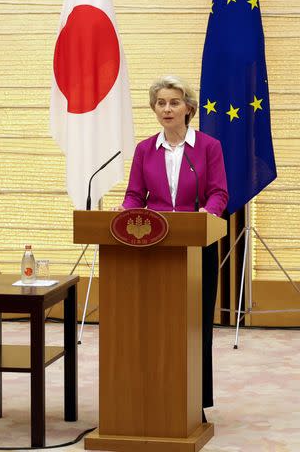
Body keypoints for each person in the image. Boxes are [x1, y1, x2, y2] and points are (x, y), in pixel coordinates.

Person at [119, 75, 228, 420]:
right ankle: (154, 393)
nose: (167, 109)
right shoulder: (144, 150)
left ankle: (196, 401)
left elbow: (219, 193)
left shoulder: (208, 147)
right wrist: (126, 210)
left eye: (174, 102)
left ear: (189, 109)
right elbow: (136, 194)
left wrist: (205, 214)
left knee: (195, 325)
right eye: (161, 103)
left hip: (197, 247)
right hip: (154, 247)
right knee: (154, 323)